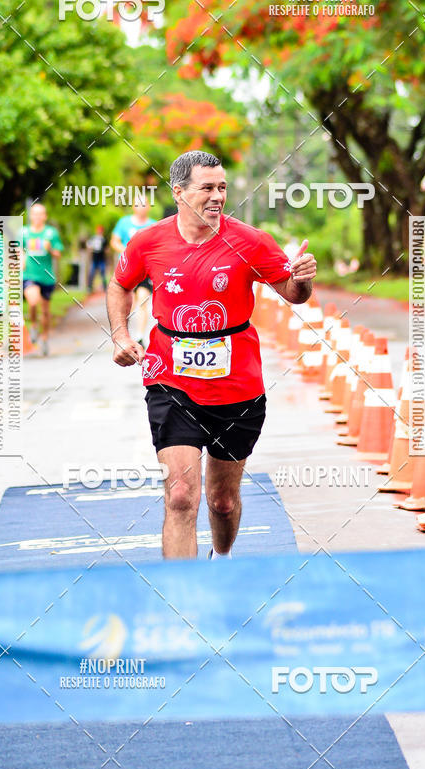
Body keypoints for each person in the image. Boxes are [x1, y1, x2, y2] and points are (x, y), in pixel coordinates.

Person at [107, 150, 316, 560]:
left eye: (222, 187)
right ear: (180, 192)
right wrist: (120, 334)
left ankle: (222, 560)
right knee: (181, 495)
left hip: (237, 388)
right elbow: (120, 284)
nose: (218, 196)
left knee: (222, 500)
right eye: (207, 188)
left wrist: (303, 280)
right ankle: (182, 601)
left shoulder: (251, 241)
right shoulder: (148, 242)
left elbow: (294, 294)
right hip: (171, 381)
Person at [110, 196, 156, 346]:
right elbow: (114, 241)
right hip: (127, 270)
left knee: (142, 300)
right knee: (126, 304)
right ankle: (124, 335)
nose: (141, 207)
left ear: (148, 207)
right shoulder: (124, 223)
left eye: (144, 204)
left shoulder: (153, 225)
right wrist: (127, 251)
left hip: (145, 271)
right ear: (133, 207)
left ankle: (140, 336)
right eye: (138, 204)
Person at [21, 203, 63, 356]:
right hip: (29, 275)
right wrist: (20, 259)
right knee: (33, 301)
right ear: (30, 216)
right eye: (34, 214)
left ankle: (44, 338)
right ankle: (33, 326)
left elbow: (59, 253)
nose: (37, 217)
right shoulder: (24, 232)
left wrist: (50, 248)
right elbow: (16, 250)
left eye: (40, 214)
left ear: (45, 216)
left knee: (45, 311)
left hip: (46, 276)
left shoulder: (51, 233)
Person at [86, 224, 108, 293]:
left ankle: (105, 287)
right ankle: (89, 287)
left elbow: (107, 249)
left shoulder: (104, 239)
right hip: (94, 259)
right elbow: (88, 246)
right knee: (91, 273)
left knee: (103, 273)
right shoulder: (93, 238)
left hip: (101, 259)